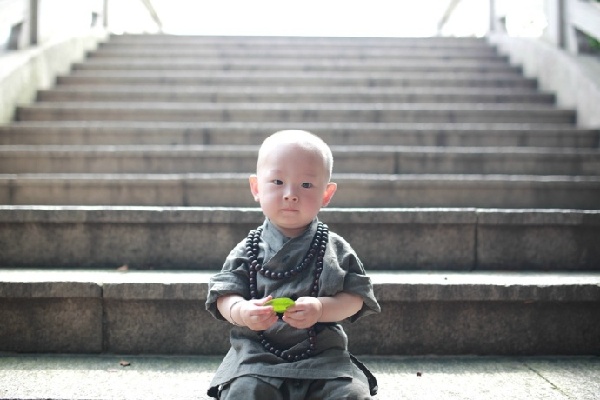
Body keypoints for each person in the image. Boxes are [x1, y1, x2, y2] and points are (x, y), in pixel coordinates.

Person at [205, 129, 381, 399]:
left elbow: (355, 297)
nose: (290, 194)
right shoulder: (247, 249)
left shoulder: (334, 248)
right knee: (243, 391)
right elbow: (223, 295)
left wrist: (322, 308)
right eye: (277, 181)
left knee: (350, 394)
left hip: (323, 357)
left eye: (306, 185)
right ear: (256, 188)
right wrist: (241, 311)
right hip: (257, 359)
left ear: (327, 194)